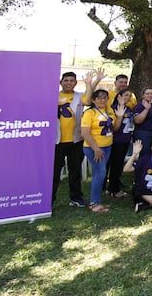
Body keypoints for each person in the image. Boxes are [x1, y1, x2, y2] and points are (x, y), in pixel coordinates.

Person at [54, 69, 101, 208]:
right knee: (55, 172)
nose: (68, 83)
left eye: (71, 81)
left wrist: (90, 83)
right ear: (61, 82)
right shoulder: (54, 96)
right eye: (66, 81)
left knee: (75, 171)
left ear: (75, 83)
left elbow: (88, 100)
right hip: (57, 141)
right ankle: (49, 200)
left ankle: (75, 197)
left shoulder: (79, 96)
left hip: (76, 140)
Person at [80, 89, 119, 213]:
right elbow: (84, 132)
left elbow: (115, 128)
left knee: (99, 173)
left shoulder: (109, 111)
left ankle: (96, 200)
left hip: (107, 146)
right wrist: (96, 148)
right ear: (93, 100)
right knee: (100, 173)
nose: (102, 100)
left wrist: (120, 116)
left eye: (104, 98)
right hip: (94, 148)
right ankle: (94, 203)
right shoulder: (89, 113)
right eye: (99, 98)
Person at [105, 88, 134, 198]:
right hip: (117, 140)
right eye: (125, 95)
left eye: (129, 96)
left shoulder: (128, 109)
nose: (127, 98)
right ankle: (114, 189)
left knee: (119, 164)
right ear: (119, 97)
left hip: (126, 139)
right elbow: (114, 127)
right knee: (115, 164)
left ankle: (113, 186)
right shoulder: (114, 109)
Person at [133, 87, 152, 156]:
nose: (150, 95)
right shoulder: (139, 106)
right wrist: (146, 109)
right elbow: (137, 120)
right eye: (147, 94)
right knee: (145, 154)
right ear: (143, 95)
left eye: (151, 93)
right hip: (143, 133)